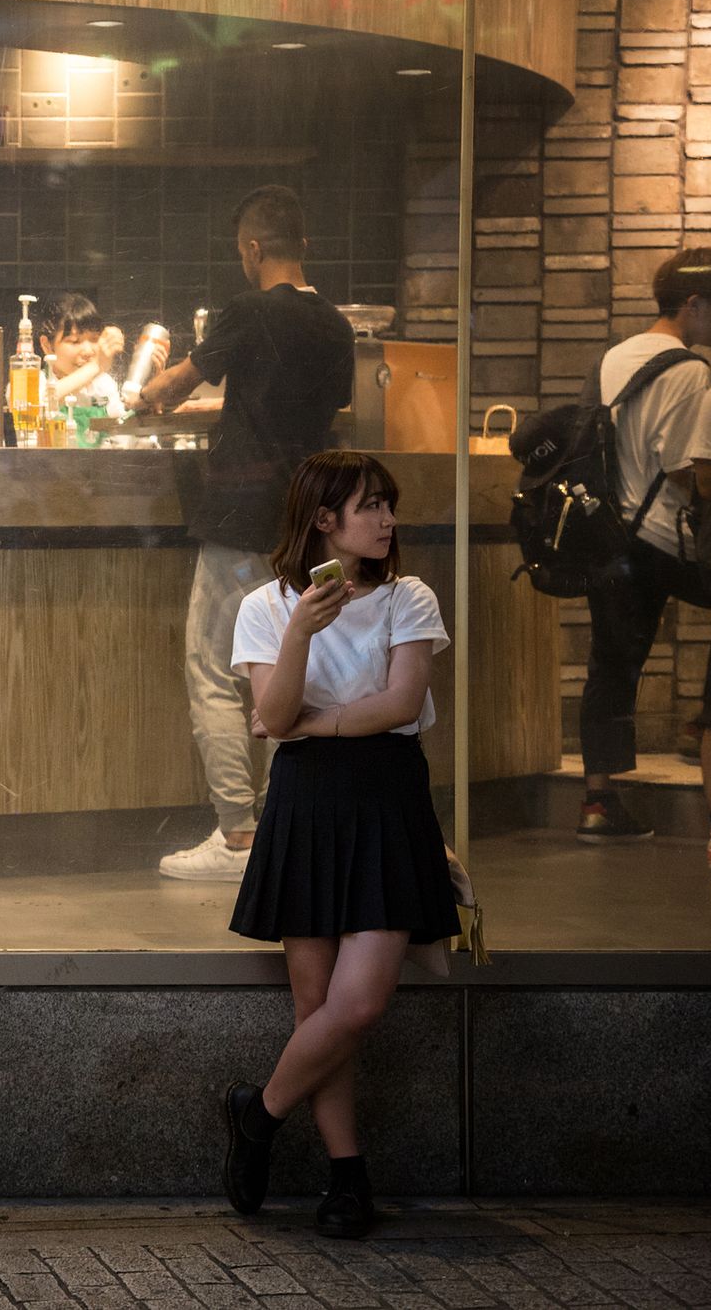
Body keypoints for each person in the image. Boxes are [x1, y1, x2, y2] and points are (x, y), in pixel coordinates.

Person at [220, 450, 456, 1241]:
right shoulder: (265, 605)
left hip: (387, 796)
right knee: (317, 1007)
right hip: (307, 803)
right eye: (371, 506)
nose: (388, 519)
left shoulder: (407, 596)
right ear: (324, 519)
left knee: (359, 1002)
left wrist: (311, 724)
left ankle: (258, 1113)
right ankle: (346, 1176)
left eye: (389, 505)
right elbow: (271, 710)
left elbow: (400, 701)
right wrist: (298, 631)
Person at [135, 185, 355, 883]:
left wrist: (146, 391)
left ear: (253, 249)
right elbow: (321, 407)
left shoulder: (247, 310)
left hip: (242, 517)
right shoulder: (335, 325)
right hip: (311, 518)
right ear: (305, 245)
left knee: (214, 667)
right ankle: (298, 827)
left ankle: (237, 836)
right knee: (296, 668)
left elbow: (172, 389)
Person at [568, 248, 711, 858]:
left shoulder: (613, 356)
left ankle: (597, 803)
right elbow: (684, 469)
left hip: (610, 536)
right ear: (693, 305)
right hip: (661, 539)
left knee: (609, 666)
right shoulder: (689, 370)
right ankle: (705, 726)